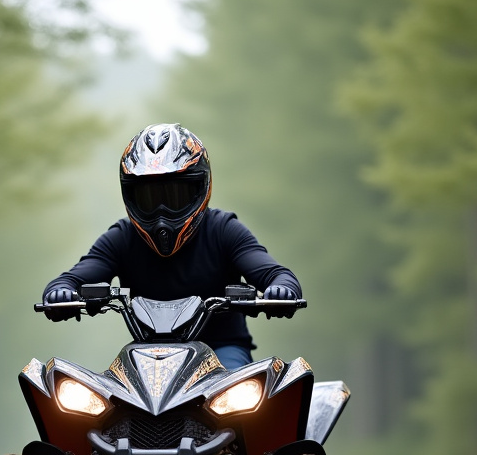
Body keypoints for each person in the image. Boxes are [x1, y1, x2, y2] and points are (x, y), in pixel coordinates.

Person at [41, 123, 302, 369]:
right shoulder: (122, 237)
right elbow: (69, 280)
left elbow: (277, 275)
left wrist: (281, 290)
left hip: (222, 352)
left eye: (175, 195)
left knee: (251, 398)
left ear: (201, 188)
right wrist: (61, 292)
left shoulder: (223, 230)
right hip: (146, 358)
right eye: (149, 198)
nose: (162, 213)